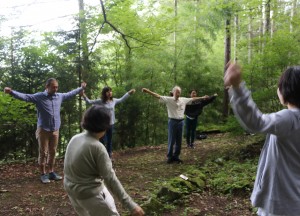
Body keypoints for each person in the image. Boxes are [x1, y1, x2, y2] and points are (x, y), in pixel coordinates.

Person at [225, 62, 300, 215]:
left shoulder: (289, 119)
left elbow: (256, 122)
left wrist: (238, 88)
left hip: (280, 204)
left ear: (285, 91)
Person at [63, 105, 145, 216]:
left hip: (72, 191)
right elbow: (110, 179)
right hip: (89, 195)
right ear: (103, 126)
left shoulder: (75, 138)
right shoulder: (97, 147)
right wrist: (131, 205)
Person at [4, 78, 86, 184]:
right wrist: (11, 92)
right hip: (43, 130)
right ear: (47, 87)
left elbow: (70, 94)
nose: (56, 89)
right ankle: (43, 174)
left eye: (57, 87)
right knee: (43, 152)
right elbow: (26, 97)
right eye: (53, 87)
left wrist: (81, 88)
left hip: (55, 129)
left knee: (53, 152)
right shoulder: (39, 97)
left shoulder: (59, 96)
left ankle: (51, 172)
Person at [142, 86, 208, 164]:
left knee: (179, 140)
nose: (178, 93)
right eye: (176, 92)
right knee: (171, 140)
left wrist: (203, 97)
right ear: (173, 92)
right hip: (172, 122)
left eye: (179, 92)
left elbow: (193, 99)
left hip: (181, 122)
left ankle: (176, 156)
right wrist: (147, 91)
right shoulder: (168, 99)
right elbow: (157, 96)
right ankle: (170, 157)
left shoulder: (183, 100)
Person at [82, 87, 136, 158]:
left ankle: (109, 155)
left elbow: (121, 99)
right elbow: (89, 102)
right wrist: (83, 95)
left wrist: (129, 93)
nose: (109, 93)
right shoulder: (100, 101)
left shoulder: (114, 100)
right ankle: (101, 154)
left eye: (110, 91)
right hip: (102, 124)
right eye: (107, 91)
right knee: (102, 140)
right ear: (104, 93)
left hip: (111, 123)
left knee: (109, 140)